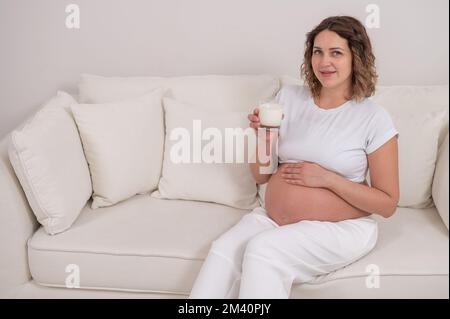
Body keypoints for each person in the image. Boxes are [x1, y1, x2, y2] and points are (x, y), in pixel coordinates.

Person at [189, 16, 399, 299]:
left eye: (336, 53)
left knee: (264, 250)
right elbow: (262, 175)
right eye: (318, 52)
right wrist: (264, 136)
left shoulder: (373, 118)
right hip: (272, 217)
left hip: (341, 229)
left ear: (356, 58)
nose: (324, 62)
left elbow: (387, 204)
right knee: (222, 251)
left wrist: (327, 179)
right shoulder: (288, 98)